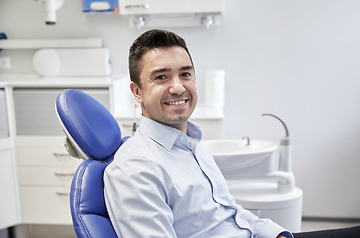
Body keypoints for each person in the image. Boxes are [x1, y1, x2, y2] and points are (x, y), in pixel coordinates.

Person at [104, 29, 360, 238]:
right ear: (137, 91)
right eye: (161, 77)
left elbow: (229, 211)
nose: (178, 87)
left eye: (185, 74)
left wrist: (276, 234)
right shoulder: (136, 169)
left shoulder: (192, 144)